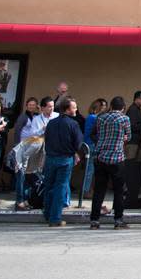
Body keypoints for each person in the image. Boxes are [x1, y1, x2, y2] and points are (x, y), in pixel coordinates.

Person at [89, 96, 131, 229]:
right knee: (119, 191)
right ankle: (118, 220)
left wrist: (101, 141)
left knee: (99, 190)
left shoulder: (101, 117)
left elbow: (93, 134)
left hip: (101, 156)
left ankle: (94, 220)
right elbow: (128, 136)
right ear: (123, 108)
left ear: (111, 106)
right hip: (117, 157)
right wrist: (122, 137)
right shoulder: (125, 118)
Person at [42, 97, 84, 226]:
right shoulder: (73, 124)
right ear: (67, 109)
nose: (76, 109)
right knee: (60, 187)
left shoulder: (51, 122)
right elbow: (78, 143)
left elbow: (46, 139)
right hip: (65, 158)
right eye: (74, 107)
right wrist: (74, 151)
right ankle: (55, 218)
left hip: (50, 157)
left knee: (48, 185)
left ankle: (47, 213)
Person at [79, 97, 107, 206]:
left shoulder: (91, 117)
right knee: (90, 169)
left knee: (90, 168)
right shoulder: (94, 118)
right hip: (91, 144)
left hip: (88, 143)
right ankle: (86, 190)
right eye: (103, 106)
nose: (104, 108)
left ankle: (87, 189)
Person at [126, 91, 141, 160]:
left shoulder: (137, 109)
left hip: (135, 142)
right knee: (130, 163)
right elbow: (131, 126)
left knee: (132, 162)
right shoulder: (133, 109)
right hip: (132, 142)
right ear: (136, 99)